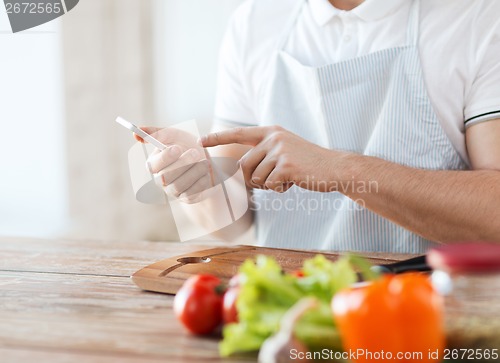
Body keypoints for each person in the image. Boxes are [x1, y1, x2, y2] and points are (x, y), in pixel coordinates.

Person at [144, 0, 500, 253]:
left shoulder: (479, 17)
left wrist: (338, 169)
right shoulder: (254, 22)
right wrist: (198, 182)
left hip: (426, 315)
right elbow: (232, 222)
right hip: (290, 312)